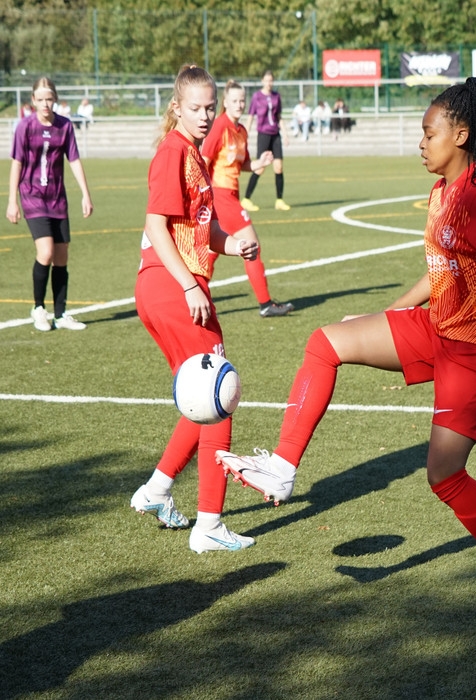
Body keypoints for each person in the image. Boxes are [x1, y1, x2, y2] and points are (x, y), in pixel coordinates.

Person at [217, 77, 476, 620]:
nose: (421, 143)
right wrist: (388, 316)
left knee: (444, 476)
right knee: (325, 342)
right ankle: (282, 466)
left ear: (461, 135)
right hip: (438, 327)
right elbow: (440, 270)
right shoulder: (442, 192)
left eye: (429, 133)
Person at [129, 65, 260, 554]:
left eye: (209, 107)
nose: (205, 115)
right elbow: (156, 226)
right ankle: (209, 526)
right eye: (196, 107)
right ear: (177, 108)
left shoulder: (194, 154)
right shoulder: (173, 151)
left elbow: (201, 231)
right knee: (220, 392)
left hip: (168, 287)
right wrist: (189, 285)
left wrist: (235, 245)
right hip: (171, 287)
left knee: (200, 400)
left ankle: (156, 490)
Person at [201, 79, 295, 318]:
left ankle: (195, 296)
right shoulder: (219, 126)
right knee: (251, 245)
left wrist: (259, 163)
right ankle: (265, 304)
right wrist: (203, 195)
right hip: (220, 196)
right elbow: (203, 161)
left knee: (213, 249)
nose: (239, 104)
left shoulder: (241, 130)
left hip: (231, 194)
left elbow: (243, 164)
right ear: (225, 102)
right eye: (234, 100)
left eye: (242, 100)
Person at [7, 77, 93, 332]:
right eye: (41, 99)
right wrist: (12, 201)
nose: (45, 104)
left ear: (55, 100)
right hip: (32, 196)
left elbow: (74, 160)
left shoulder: (64, 126)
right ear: (33, 100)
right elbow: (17, 163)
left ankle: (61, 314)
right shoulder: (25, 127)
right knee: (45, 252)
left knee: (61, 256)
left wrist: (85, 194)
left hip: (57, 198)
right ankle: (38, 308)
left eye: (49, 99)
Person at [244, 70, 289, 211]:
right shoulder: (257, 96)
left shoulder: (276, 96)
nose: (269, 83)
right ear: (262, 81)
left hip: (276, 135)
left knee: (278, 167)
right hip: (263, 135)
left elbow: (279, 116)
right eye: (267, 80)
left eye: (271, 80)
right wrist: (245, 134)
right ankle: (246, 199)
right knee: (260, 168)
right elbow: (251, 116)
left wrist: (285, 133)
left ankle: (279, 200)